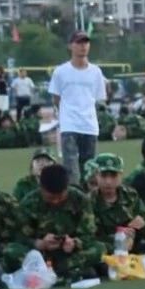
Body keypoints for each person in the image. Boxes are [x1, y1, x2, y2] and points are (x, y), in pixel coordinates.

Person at [8, 163, 103, 280]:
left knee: (99, 248)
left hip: (70, 253)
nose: (56, 201)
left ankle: (58, 270)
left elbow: (88, 233)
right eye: (51, 197)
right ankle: (68, 271)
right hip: (41, 255)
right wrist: (39, 243)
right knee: (11, 251)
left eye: (60, 197)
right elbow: (19, 236)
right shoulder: (29, 203)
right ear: (41, 189)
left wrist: (74, 242)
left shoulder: (80, 200)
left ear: (67, 188)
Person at [48, 31, 107, 185]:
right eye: (79, 43)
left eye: (86, 42)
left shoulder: (96, 72)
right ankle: (74, 196)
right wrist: (66, 113)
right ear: (70, 46)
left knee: (89, 170)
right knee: (71, 169)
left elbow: (98, 97)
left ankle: (88, 197)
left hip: (89, 125)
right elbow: (56, 98)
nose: (83, 46)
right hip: (69, 125)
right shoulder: (61, 72)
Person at [89, 153, 145, 254]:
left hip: (132, 249)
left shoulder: (130, 195)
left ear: (121, 175)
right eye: (103, 176)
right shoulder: (89, 201)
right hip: (106, 251)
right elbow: (88, 236)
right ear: (96, 175)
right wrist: (118, 236)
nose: (108, 181)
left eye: (113, 176)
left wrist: (139, 227)